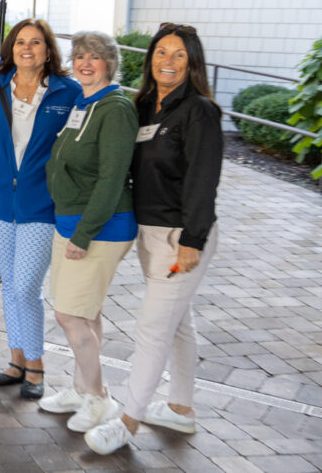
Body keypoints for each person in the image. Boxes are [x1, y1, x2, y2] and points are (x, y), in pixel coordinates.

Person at [85, 23, 223, 455]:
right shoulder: (143, 105)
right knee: (178, 322)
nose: (167, 60)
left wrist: (192, 240)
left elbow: (204, 180)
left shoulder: (198, 110)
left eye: (178, 54)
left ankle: (127, 421)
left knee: (152, 328)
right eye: (161, 52)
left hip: (181, 235)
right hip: (150, 231)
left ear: (192, 62)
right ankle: (181, 408)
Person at [0, 19, 80, 400]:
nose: (27, 49)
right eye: (20, 43)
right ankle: (16, 362)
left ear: (49, 50)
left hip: (41, 205)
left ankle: (36, 366)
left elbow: (79, 147)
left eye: (35, 43)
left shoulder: (68, 92)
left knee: (26, 287)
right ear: (10, 49)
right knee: (13, 286)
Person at [41, 31, 138, 432]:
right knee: (87, 312)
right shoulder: (85, 101)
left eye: (94, 57)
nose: (84, 62)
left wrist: (84, 234)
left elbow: (112, 180)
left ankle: (99, 398)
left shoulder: (116, 108)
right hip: (71, 223)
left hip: (99, 228)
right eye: (79, 55)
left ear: (110, 64)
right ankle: (83, 389)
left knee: (69, 315)